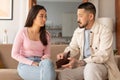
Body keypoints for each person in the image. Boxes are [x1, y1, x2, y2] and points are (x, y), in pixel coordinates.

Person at [57, 2, 120, 80]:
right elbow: (73, 47)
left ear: (90, 16)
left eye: (80, 16)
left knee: (90, 68)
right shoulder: (78, 31)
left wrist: (80, 62)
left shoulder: (105, 31)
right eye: (77, 16)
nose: (77, 19)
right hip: (83, 66)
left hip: (102, 66)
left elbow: (103, 55)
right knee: (64, 74)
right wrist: (65, 54)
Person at [11, 5, 56, 80]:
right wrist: (32, 63)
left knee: (48, 63)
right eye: (41, 16)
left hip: (41, 63)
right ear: (33, 16)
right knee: (49, 74)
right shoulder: (22, 32)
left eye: (45, 16)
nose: (44, 19)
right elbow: (14, 54)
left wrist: (43, 60)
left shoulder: (47, 35)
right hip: (25, 64)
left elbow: (47, 54)